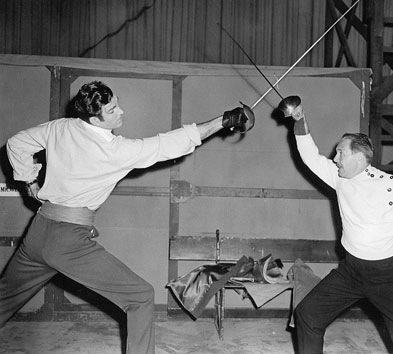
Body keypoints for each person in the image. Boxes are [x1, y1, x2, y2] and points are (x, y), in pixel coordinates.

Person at [0, 81, 253, 354]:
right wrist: (222, 121)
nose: (121, 111)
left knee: (3, 299)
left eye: (117, 102)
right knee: (141, 297)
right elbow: (168, 144)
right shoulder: (115, 150)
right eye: (112, 109)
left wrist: (30, 183)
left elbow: (16, 143)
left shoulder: (60, 127)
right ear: (95, 117)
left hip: (38, 231)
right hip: (68, 241)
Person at [282, 100, 393, 354]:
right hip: (351, 271)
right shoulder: (340, 178)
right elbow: (309, 157)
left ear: (360, 157)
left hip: (388, 275)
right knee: (308, 314)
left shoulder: (390, 184)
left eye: (341, 153)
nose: (334, 158)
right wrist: (299, 120)